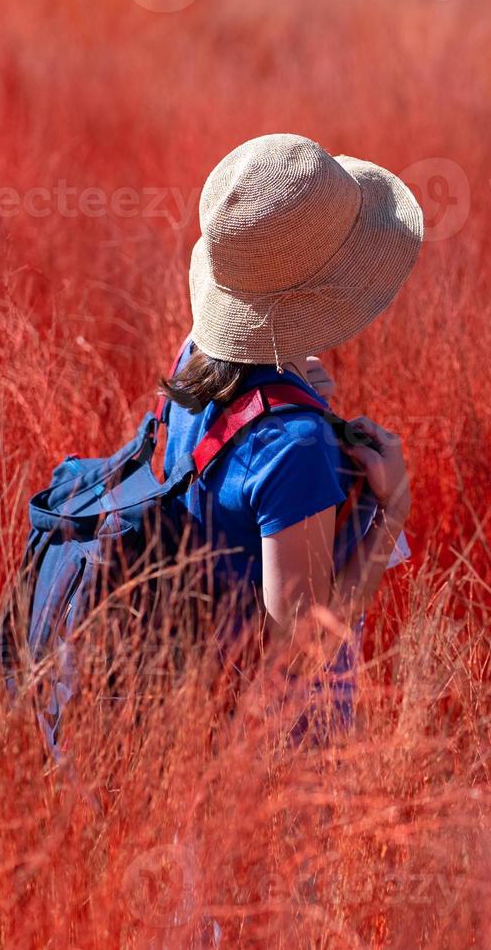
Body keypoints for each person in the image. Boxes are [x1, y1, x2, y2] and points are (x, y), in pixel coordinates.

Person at [157, 133, 423, 737]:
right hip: (272, 772)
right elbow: (304, 648)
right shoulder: (292, 448)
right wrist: (391, 512)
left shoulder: (195, 358)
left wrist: (298, 390)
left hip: (197, 705)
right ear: (322, 292)